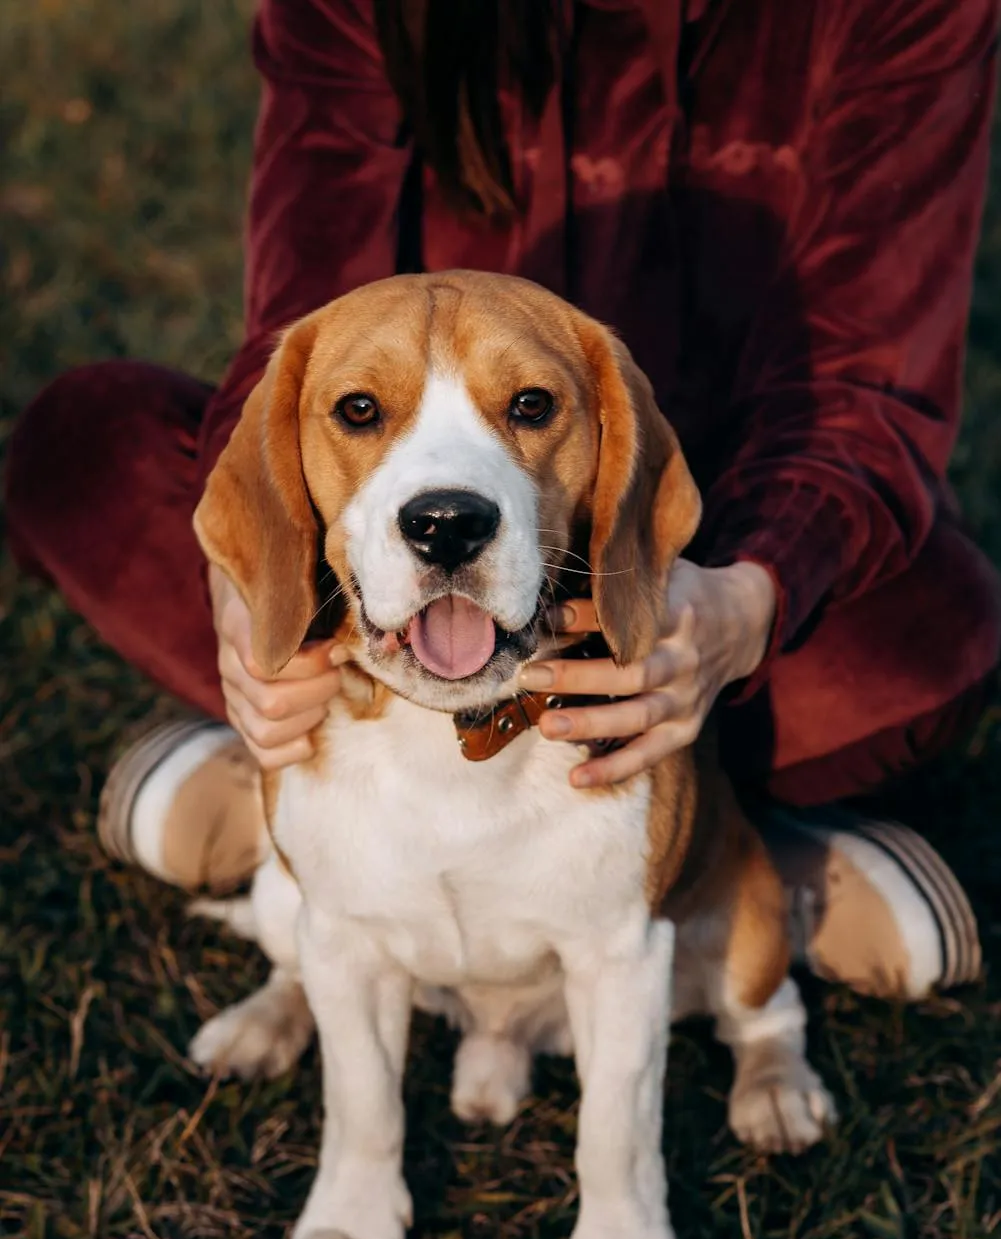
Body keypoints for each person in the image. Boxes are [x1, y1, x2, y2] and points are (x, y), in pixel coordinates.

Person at [7, 0, 1000, 1000]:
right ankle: (305, 797)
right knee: (85, 448)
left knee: (938, 633)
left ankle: (716, 861)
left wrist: (740, 605)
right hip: (406, 536)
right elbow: (303, 329)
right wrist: (244, 583)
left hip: (701, 522)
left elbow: (861, 388)